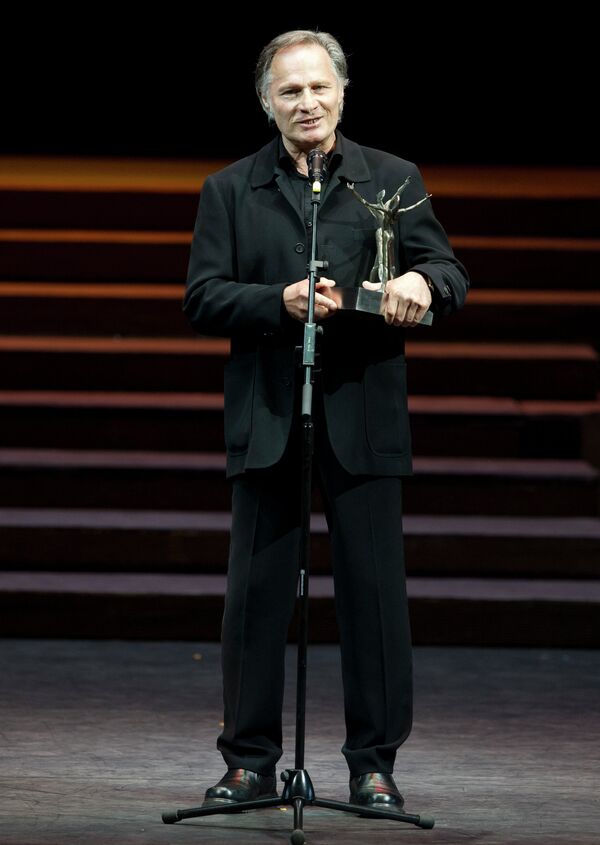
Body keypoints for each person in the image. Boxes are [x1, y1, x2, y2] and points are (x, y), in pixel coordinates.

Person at [183, 29, 468, 812]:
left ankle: (373, 763)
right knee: (254, 599)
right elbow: (202, 296)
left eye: (318, 88)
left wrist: (420, 279)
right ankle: (248, 763)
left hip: (364, 415)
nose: (306, 103)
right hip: (270, 412)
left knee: (375, 598)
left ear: (342, 92)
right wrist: (277, 300)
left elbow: (451, 273)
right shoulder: (232, 189)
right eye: (289, 92)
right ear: (267, 104)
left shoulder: (392, 179)